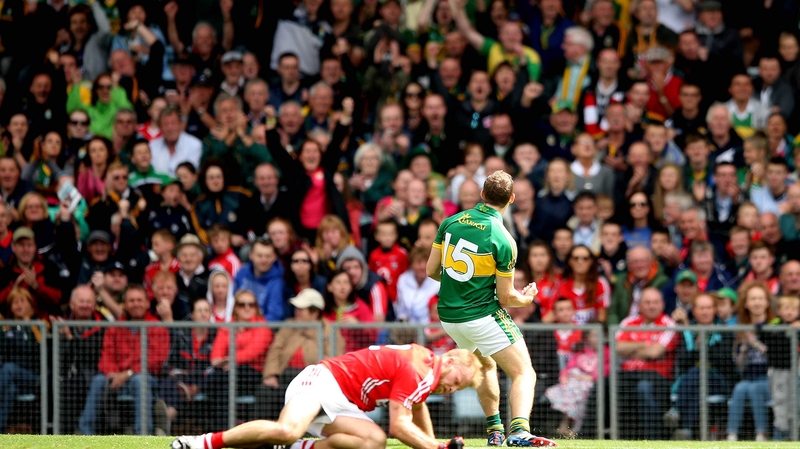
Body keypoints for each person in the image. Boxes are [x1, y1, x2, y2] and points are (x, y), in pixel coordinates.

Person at [426, 170, 555, 447]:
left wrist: (463, 284)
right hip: (480, 314)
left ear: (482, 194)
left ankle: (495, 431)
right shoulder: (504, 238)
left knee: (485, 365)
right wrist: (527, 297)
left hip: (449, 316)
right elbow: (507, 297)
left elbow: (432, 270)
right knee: (524, 372)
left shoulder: (450, 222)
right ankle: (519, 431)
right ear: (511, 199)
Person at [172, 344, 488, 449]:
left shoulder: (426, 364)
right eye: (456, 381)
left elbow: (417, 407)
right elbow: (401, 426)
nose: (452, 389)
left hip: (343, 401)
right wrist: (434, 446)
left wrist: (432, 444)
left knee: (373, 441)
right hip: (323, 381)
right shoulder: (419, 372)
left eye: (458, 389)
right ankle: (200, 442)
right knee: (286, 428)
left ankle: (299, 447)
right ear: (449, 362)